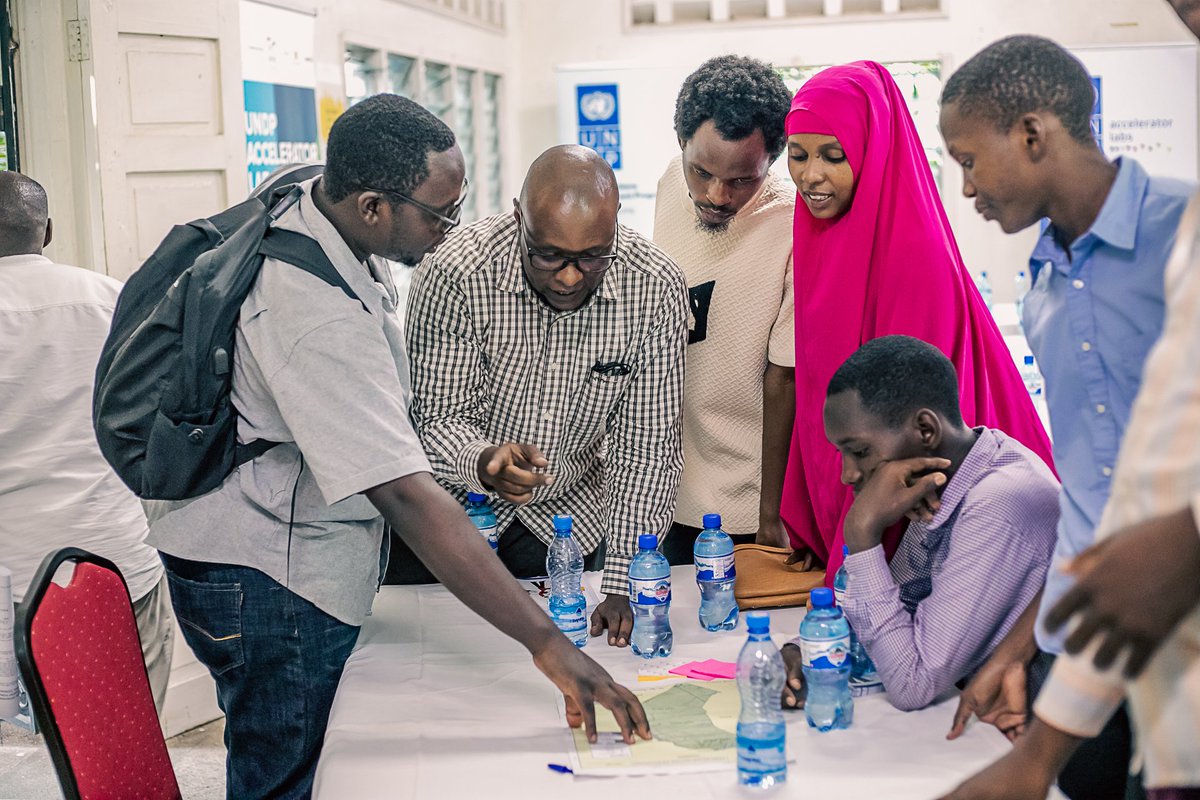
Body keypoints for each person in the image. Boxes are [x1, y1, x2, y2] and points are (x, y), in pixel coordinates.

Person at [144, 97, 650, 799]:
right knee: (290, 770)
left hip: (255, 547)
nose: (450, 231)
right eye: (439, 214)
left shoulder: (314, 201)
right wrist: (550, 645)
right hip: (264, 574)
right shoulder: (313, 318)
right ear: (375, 205)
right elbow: (408, 495)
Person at [940, 7, 1200, 798]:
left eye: (969, 159)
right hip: (1084, 643)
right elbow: (1091, 495)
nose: (967, 187)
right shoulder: (1043, 288)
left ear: (1031, 133)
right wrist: (1026, 642)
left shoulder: (1183, 230)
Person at [401, 144, 688, 649]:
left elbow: (646, 449)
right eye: (549, 255)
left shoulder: (654, 286)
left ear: (617, 221)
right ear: (518, 219)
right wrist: (483, 459)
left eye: (591, 257)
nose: (570, 276)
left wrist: (621, 581)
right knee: (446, 666)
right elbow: (436, 417)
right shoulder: (456, 272)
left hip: (568, 526)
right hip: (453, 518)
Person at [778, 60, 1054, 586]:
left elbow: (913, 427)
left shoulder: (914, 250)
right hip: (862, 471)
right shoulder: (817, 232)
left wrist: (855, 551)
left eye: (834, 156)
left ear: (873, 151)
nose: (811, 175)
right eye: (798, 155)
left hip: (921, 495)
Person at [778, 336, 1057, 712]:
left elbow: (913, 682)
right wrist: (807, 647)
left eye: (859, 452)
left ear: (926, 430)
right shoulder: (944, 478)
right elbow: (902, 606)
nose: (847, 474)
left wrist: (862, 536)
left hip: (1030, 744)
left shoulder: (997, 502)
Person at [0, 172, 174, 713]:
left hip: (8, 570)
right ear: (47, 231)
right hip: (113, 559)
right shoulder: (114, 300)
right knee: (124, 752)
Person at [652, 55, 797, 564]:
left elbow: (785, 379)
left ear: (771, 162)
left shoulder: (794, 226)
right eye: (703, 171)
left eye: (742, 180)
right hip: (663, 484)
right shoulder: (672, 183)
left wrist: (769, 513)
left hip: (745, 500)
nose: (716, 195)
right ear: (680, 144)